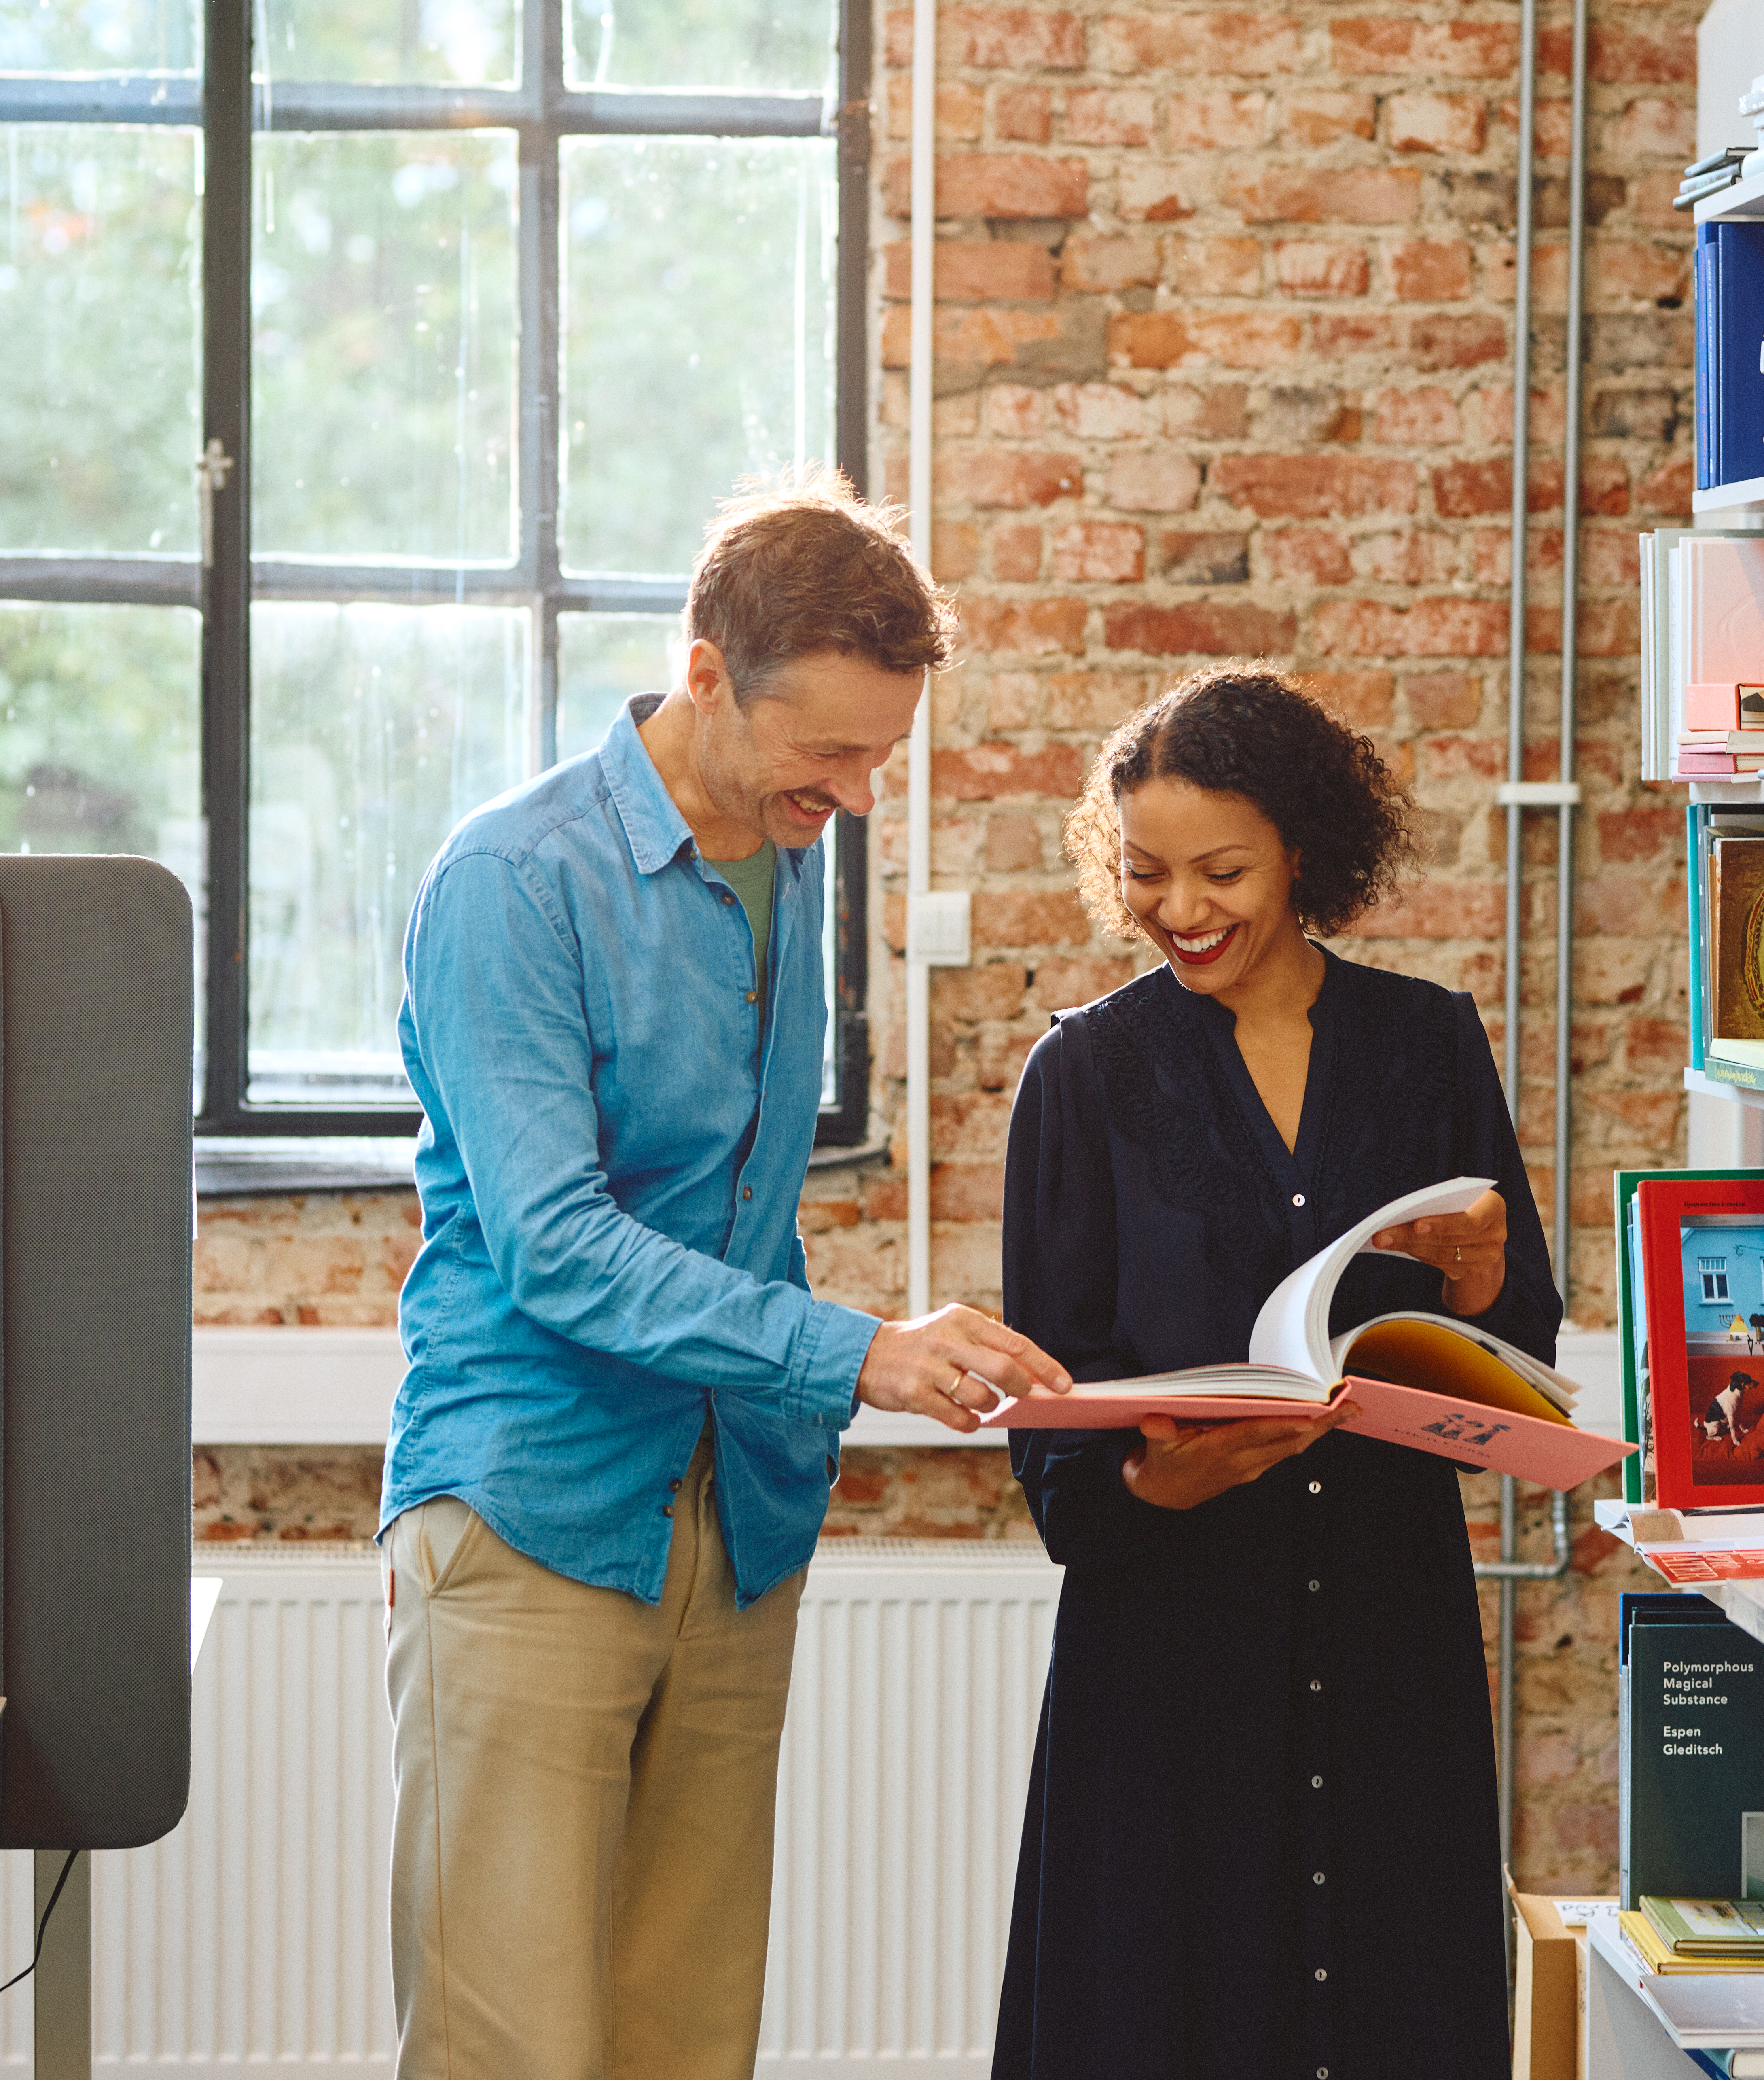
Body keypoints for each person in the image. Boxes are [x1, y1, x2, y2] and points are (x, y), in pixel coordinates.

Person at [381, 477, 1071, 2080]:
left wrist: (826, 1381)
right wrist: (857, 1351)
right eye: (825, 749)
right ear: (704, 673)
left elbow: (739, 1196)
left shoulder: (787, 848)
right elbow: (555, 1241)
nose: (854, 790)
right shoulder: (513, 882)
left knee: (687, 2040)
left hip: (736, 1509)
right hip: (533, 1500)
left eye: (879, 755)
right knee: (511, 2044)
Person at [992, 666, 1561, 2080]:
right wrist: (1151, 1476)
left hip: (1387, 1629)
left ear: (1303, 849)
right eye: (1146, 875)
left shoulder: (1429, 1044)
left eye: (1222, 871)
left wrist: (1481, 1280)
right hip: (1174, 1658)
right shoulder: (1081, 1076)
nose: (1182, 911)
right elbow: (1049, 1424)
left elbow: (1525, 1357)